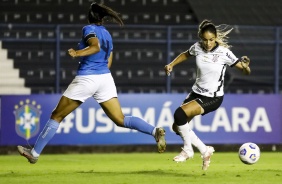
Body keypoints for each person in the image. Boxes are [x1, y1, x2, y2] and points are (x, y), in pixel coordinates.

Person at [17, 2, 166, 164]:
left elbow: (95, 46)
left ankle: (34, 153)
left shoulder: (88, 29)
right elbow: (108, 60)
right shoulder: (107, 34)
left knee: (56, 115)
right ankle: (154, 131)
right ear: (102, 18)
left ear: (90, 17)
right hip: (105, 78)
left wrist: (77, 53)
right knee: (120, 119)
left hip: (87, 78)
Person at [164, 20, 251, 170]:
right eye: (205, 40)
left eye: (211, 39)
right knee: (176, 126)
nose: (208, 43)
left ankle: (188, 150)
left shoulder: (224, 53)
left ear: (216, 37)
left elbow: (245, 71)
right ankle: (205, 150)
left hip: (213, 97)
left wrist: (246, 67)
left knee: (179, 114)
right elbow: (185, 54)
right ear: (200, 38)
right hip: (196, 92)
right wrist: (171, 64)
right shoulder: (197, 47)